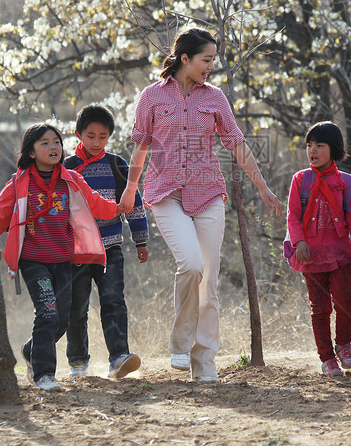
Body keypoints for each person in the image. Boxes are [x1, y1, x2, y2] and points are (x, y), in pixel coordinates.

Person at [119, 27, 282, 383]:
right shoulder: (152, 97)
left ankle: (204, 364)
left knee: (210, 282)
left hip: (208, 193)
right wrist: (130, 189)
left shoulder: (215, 98)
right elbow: (141, 146)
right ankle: (179, 343)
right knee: (191, 264)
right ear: (185, 59)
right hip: (165, 193)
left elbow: (237, 144)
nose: (211, 66)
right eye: (206, 60)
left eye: (213, 60)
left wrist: (263, 186)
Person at [0, 123, 119, 392]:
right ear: (30, 152)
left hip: (64, 260)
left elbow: (96, 203)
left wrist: (121, 207)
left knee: (62, 318)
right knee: (48, 314)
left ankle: (31, 351)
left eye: (56, 142)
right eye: (44, 143)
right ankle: (44, 374)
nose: (53, 147)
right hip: (33, 260)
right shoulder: (19, 183)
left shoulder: (71, 179)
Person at [63, 105, 149, 380]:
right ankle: (78, 362)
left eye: (103, 136)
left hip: (110, 247)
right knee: (77, 307)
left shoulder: (117, 164)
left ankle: (118, 357)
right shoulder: (66, 167)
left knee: (113, 300)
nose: (96, 142)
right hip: (76, 250)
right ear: (79, 134)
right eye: (91, 136)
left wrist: (140, 240)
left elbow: (133, 203)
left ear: (109, 136)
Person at [285, 122, 351, 376]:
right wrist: (300, 242)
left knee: (345, 301)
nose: (313, 151)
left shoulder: (346, 181)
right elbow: (293, 215)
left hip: (340, 252)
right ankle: (327, 357)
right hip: (311, 255)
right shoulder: (301, 179)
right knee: (319, 308)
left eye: (320, 145)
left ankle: (344, 344)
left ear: (334, 149)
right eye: (309, 145)